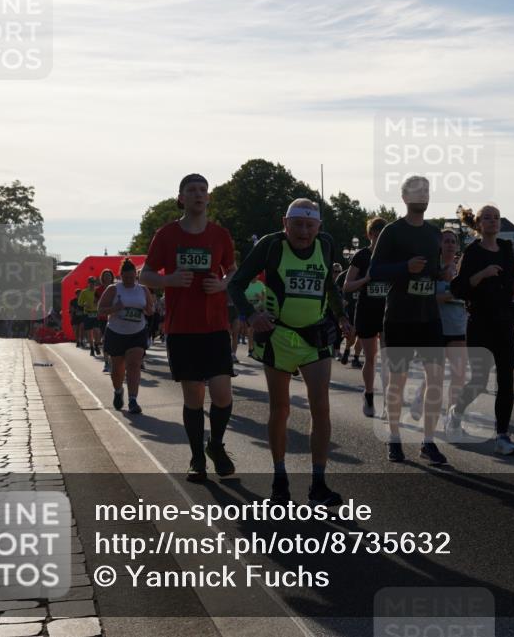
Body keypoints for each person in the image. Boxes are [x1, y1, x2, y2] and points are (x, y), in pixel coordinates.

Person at [228, 199, 353, 506]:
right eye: (297, 224)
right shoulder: (271, 246)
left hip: (315, 336)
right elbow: (237, 283)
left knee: (320, 407)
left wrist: (341, 316)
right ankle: (280, 478)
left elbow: (328, 285)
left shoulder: (325, 245)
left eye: (310, 226)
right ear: (285, 223)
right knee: (280, 409)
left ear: (319, 227)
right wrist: (251, 315)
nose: (304, 232)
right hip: (279, 335)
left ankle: (318, 483)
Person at [140, 173, 236, 483]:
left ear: (208, 198)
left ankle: (215, 445)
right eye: (191, 190)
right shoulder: (166, 235)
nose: (198, 194)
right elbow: (146, 275)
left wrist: (221, 285)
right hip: (182, 328)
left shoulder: (220, 235)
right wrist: (168, 280)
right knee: (194, 396)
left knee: (222, 395)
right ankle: (197, 457)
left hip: (216, 326)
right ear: (181, 197)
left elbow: (235, 272)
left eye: (202, 190)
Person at [370, 176, 450, 465]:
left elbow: (432, 271)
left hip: (428, 317)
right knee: (397, 383)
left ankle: (428, 442)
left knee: (436, 381)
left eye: (427, 191)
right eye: (417, 192)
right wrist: (404, 267)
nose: (423, 196)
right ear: (404, 197)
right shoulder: (392, 231)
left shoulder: (433, 233)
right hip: (400, 317)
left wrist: (442, 274)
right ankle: (394, 438)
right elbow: (375, 270)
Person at [448, 205, 514, 455]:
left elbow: (512, 276)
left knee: (506, 380)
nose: (493, 221)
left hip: (503, 322)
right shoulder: (473, 252)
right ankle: (455, 412)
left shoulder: (507, 249)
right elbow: (458, 289)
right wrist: (482, 274)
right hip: (479, 323)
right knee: (479, 381)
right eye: (487, 218)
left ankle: (502, 435)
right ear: (478, 224)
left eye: (496, 218)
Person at [412, 228, 468, 424]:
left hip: (458, 327)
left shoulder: (463, 269)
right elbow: (424, 297)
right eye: (446, 241)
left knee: (458, 376)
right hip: (434, 327)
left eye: (453, 241)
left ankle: (452, 419)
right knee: (435, 376)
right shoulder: (431, 269)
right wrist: (449, 295)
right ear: (439, 245)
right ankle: (420, 396)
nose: (450, 244)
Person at [344, 217, 390, 417]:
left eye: (383, 234)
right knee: (370, 358)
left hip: (389, 312)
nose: (379, 238)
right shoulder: (362, 256)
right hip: (367, 311)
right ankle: (369, 395)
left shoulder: (392, 255)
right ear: (369, 235)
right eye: (376, 234)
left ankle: (389, 401)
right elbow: (347, 286)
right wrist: (366, 279)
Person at [99, 258, 154, 414]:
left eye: (132, 277)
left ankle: (132, 400)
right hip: (116, 332)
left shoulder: (143, 290)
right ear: (121, 276)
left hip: (137, 332)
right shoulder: (113, 289)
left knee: (134, 364)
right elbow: (101, 310)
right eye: (126, 277)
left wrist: (147, 309)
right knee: (117, 369)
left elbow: (151, 310)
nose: (129, 280)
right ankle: (118, 391)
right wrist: (115, 308)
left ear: (136, 276)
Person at [95, 269, 115, 371]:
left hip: (115, 318)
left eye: (109, 275)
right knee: (105, 340)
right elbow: (96, 303)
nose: (107, 277)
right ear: (102, 278)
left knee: (115, 341)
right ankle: (106, 362)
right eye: (105, 276)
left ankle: (114, 361)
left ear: (112, 277)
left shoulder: (117, 288)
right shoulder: (98, 290)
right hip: (103, 318)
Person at [77, 277, 101, 356]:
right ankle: (92, 348)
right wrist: (84, 304)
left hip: (96, 313)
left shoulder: (97, 291)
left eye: (93, 282)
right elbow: (80, 303)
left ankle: (96, 345)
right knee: (89, 332)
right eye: (91, 282)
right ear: (88, 283)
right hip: (87, 313)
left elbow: (101, 299)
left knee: (97, 331)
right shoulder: (84, 292)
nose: (92, 284)